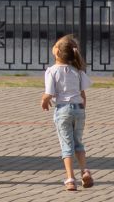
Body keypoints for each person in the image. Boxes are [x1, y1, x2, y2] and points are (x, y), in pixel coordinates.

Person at [41, 34, 93, 191]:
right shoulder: (77, 71)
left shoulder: (52, 71)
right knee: (78, 142)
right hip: (79, 110)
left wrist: (44, 100)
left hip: (63, 110)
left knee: (66, 145)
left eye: (55, 45)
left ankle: (70, 178)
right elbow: (83, 95)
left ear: (57, 52)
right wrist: (82, 108)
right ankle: (85, 170)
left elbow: (49, 93)